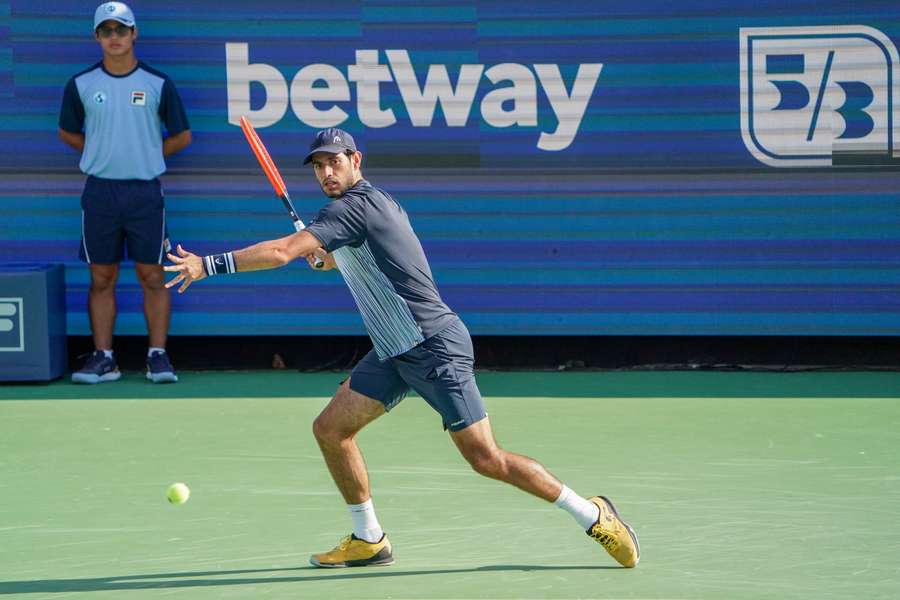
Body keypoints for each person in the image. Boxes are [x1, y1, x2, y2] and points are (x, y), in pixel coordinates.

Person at [164, 128, 640, 568]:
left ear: (356, 161)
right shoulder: (371, 204)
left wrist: (209, 264)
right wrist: (329, 258)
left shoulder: (350, 207)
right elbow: (359, 255)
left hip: (433, 346)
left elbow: (281, 251)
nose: (326, 173)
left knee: (486, 459)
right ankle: (368, 538)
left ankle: (592, 514)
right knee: (331, 430)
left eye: (335, 162)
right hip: (394, 349)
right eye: (318, 166)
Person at [58, 2, 191, 384]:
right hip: (99, 192)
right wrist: (98, 150)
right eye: (106, 31)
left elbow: (182, 136)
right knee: (102, 277)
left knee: (153, 274)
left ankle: (158, 356)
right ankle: (104, 358)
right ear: (97, 37)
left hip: (145, 192)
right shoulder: (81, 84)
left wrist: (148, 154)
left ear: (134, 34)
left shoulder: (157, 83)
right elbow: (66, 131)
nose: (114, 37)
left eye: (121, 30)